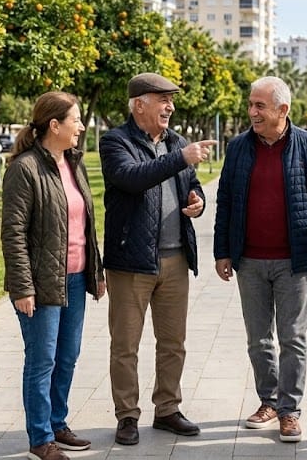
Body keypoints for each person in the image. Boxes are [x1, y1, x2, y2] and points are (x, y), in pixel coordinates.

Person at [99, 72, 216, 446]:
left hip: (175, 259)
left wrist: (197, 201)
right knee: (126, 345)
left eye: (171, 99)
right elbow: (133, 178)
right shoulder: (115, 142)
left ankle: (167, 409)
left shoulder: (175, 142)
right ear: (139, 104)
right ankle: (127, 416)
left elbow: (189, 184)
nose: (170, 106)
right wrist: (180, 158)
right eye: (162, 98)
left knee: (173, 342)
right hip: (131, 261)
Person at [213, 76, 307, 443]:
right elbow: (226, 200)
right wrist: (222, 250)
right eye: (250, 104)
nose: (252, 112)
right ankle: (268, 400)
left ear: (283, 109)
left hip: (293, 262)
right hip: (249, 260)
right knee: (258, 339)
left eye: (260, 106)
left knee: (292, 338)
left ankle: (290, 409)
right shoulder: (237, 147)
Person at [3, 92, 106, 460]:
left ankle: (58, 422)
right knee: (42, 359)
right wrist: (22, 287)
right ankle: (40, 437)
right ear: (54, 125)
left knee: (67, 356)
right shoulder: (25, 168)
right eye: (76, 120)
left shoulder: (74, 163)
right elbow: (13, 233)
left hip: (76, 280)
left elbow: (85, 224)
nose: (81, 126)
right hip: (40, 283)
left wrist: (96, 272)